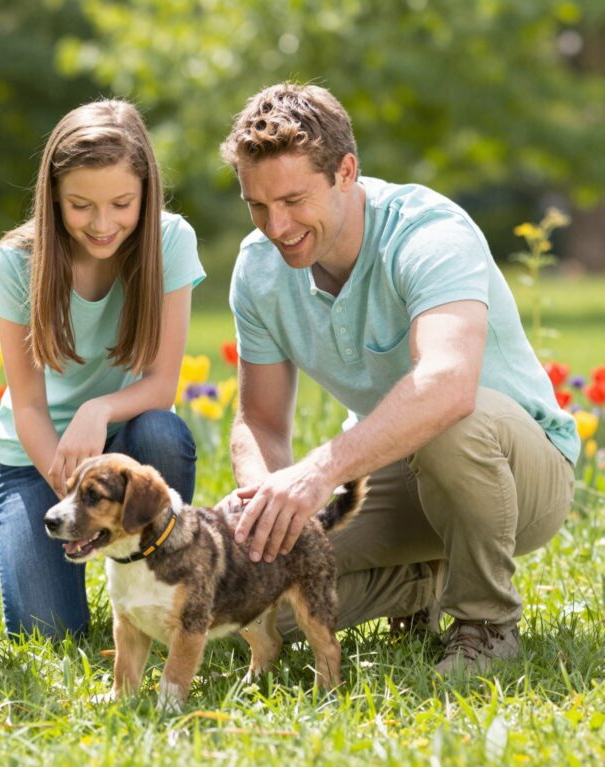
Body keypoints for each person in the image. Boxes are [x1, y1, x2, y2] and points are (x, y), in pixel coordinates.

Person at [220, 83, 578, 675]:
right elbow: (258, 420)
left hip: (515, 476)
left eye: (292, 200)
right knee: (244, 602)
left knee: (450, 422)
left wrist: (316, 473)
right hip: (389, 472)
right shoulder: (258, 267)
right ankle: (420, 585)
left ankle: (485, 625)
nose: (276, 226)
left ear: (345, 171)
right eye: (257, 205)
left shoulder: (428, 233)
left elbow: (447, 385)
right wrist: (265, 509)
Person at [0, 99, 206, 639]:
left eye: (122, 204)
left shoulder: (171, 240)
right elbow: (28, 407)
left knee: (162, 432)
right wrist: (74, 497)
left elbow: (162, 386)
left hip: (131, 444)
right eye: (80, 205)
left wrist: (98, 410)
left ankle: (165, 582)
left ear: (145, 193)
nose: (103, 225)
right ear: (54, 197)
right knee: (48, 631)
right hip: (40, 457)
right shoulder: (18, 261)